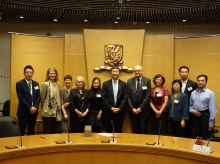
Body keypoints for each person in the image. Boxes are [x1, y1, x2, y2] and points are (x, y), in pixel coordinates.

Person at [189, 74, 217, 139]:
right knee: (197, 136)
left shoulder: (210, 93)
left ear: (206, 82)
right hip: (196, 116)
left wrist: (211, 123)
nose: (200, 82)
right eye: (198, 81)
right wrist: (192, 111)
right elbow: (190, 105)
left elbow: (213, 109)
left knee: (207, 136)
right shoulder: (193, 93)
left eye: (202, 81)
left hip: (206, 116)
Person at [16, 65, 40, 135]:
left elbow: (38, 96)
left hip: (34, 112)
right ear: (24, 73)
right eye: (27, 72)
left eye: (31, 72)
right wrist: (30, 107)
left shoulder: (36, 84)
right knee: (21, 132)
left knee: (31, 132)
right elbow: (21, 97)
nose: (29, 74)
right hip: (23, 112)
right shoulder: (19, 84)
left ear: (33, 73)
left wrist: (35, 107)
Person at [102, 66, 128, 133]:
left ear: (119, 73)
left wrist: (119, 108)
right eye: (113, 71)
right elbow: (104, 97)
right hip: (108, 111)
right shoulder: (105, 84)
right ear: (111, 73)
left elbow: (125, 97)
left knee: (119, 130)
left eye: (117, 71)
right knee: (108, 130)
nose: (115, 73)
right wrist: (111, 108)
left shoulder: (123, 84)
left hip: (119, 112)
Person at [127, 65, 151, 134]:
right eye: (135, 71)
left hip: (143, 111)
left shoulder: (147, 81)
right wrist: (132, 108)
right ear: (133, 72)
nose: (137, 72)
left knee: (143, 130)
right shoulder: (129, 81)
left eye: (139, 71)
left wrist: (140, 108)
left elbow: (147, 96)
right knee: (135, 131)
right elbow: (127, 96)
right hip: (133, 111)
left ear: (142, 71)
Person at [41, 68, 62, 134]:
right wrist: (45, 107)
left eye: (54, 73)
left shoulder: (58, 84)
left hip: (55, 111)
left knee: (53, 130)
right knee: (47, 130)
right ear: (48, 74)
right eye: (51, 73)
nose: (52, 75)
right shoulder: (45, 84)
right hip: (47, 111)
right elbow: (42, 97)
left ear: (56, 74)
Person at [179, 66, 197, 138]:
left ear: (188, 73)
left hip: (189, 110)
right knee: (179, 130)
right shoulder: (176, 82)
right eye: (182, 72)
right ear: (179, 73)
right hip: (179, 110)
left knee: (189, 130)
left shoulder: (193, 84)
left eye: (185, 72)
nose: (184, 74)